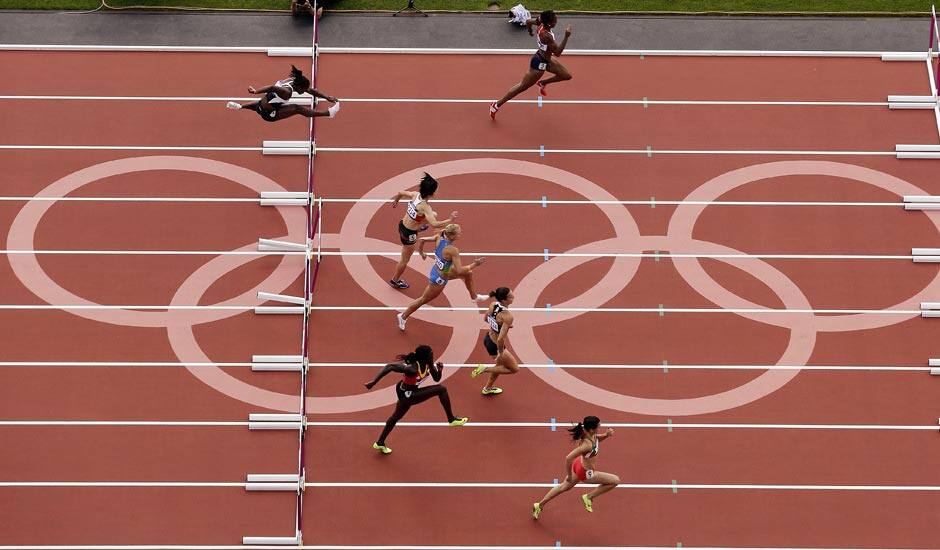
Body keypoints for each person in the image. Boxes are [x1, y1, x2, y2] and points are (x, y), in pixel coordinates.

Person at [363, 345, 469, 454]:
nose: (433, 356)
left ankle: (380, 442)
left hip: (412, 392)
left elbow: (436, 379)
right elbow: (389, 366)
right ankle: (451, 419)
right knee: (441, 389)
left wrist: (440, 370)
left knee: (395, 417)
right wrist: (373, 382)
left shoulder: (429, 364)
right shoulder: (412, 368)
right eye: (431, 354)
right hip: (406, 394)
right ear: (425, 357)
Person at [396, 223, 488, 331]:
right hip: (439, 279)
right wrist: (475, 264)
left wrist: (422, 253)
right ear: (452, 236)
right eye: (459, 233)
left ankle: (474, 297)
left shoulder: (439, 236)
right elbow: (459, 270)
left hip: (443, 269)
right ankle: (403, 316)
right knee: (423, 300)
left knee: (468, 274)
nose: (460, 234)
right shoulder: (452, 250)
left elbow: (422, 240)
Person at [532, 416, 619, 519]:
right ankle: (588, 497)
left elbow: (596, 440)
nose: (600, 427)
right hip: (586, 473)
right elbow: (568, 458)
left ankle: (539, 505)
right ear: (591, 429)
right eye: (598, 426)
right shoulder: (586, 445)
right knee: (615, 480)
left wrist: (606, 435)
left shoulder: (589, 433)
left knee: (564, 487)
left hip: (579, 464)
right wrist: (569, 475)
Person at [490, 9, 572, 119]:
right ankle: (496, 104)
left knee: (566, 76)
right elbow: (557, 53)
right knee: (522, 87)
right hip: (539, 63)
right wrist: (566, 36)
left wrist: (530, 31)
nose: (556, 22)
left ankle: (542, 83)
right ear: (549, 23)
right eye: (554, 21)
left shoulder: (540, 21)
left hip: (547, 60)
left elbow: (528, 22)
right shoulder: (546, 36)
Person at [388, 173, 458, 290]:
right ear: (431, 192)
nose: (438, 192)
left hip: (402, 224)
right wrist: (450, 220)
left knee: (433, 214)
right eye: (436, 190)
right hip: (409, 234)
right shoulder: (425, 207)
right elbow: (435, 224)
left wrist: (396, 201)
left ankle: (420, 227)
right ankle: (395, 280)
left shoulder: (415, 195)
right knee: (405, 259)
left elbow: (400, 192)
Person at [226, 65, 340, 122]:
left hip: (260, 105)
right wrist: (256, 91)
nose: (304, 92)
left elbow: (310, 90)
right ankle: (328, 113)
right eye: (303, 90)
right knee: (297, 108)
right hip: (269, 114)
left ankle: (240, 106)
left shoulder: (291, 81)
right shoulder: (287, 92)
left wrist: (326, 97)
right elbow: (271, 87)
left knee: (263, 103)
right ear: (299, 86)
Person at [471, 287, 518, 395]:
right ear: (504, 300)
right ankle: (484, 369)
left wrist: (500, 326)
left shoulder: (493, 304)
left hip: (488, 339)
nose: (513, 296)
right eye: (511, 296)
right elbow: (501, 339)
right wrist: (500, 353)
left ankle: (487, 388)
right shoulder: (508, 316)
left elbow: (485, 318)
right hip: (496, 345)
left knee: (499, 366)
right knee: (514, 369)